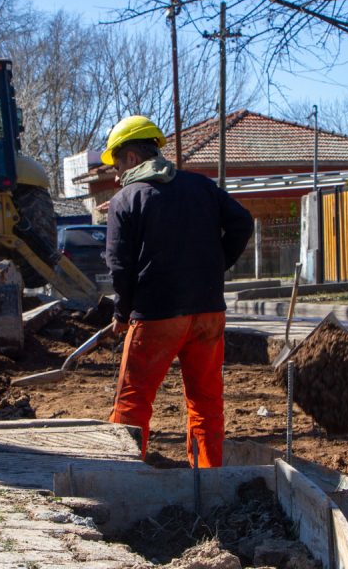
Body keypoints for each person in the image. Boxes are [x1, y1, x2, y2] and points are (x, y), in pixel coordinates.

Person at [102, 115, 254, 468]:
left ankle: (124, 476)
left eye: (117, 163)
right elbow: (242, 222)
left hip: (156, 317)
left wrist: (121, 314)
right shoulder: (200, 187)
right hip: (208, 314)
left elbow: (119, 266)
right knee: (206, 402)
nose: (116, 174)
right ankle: (209, 479)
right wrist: (215, 268)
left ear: (132, 158)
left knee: (133, 401)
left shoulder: (126, 200)